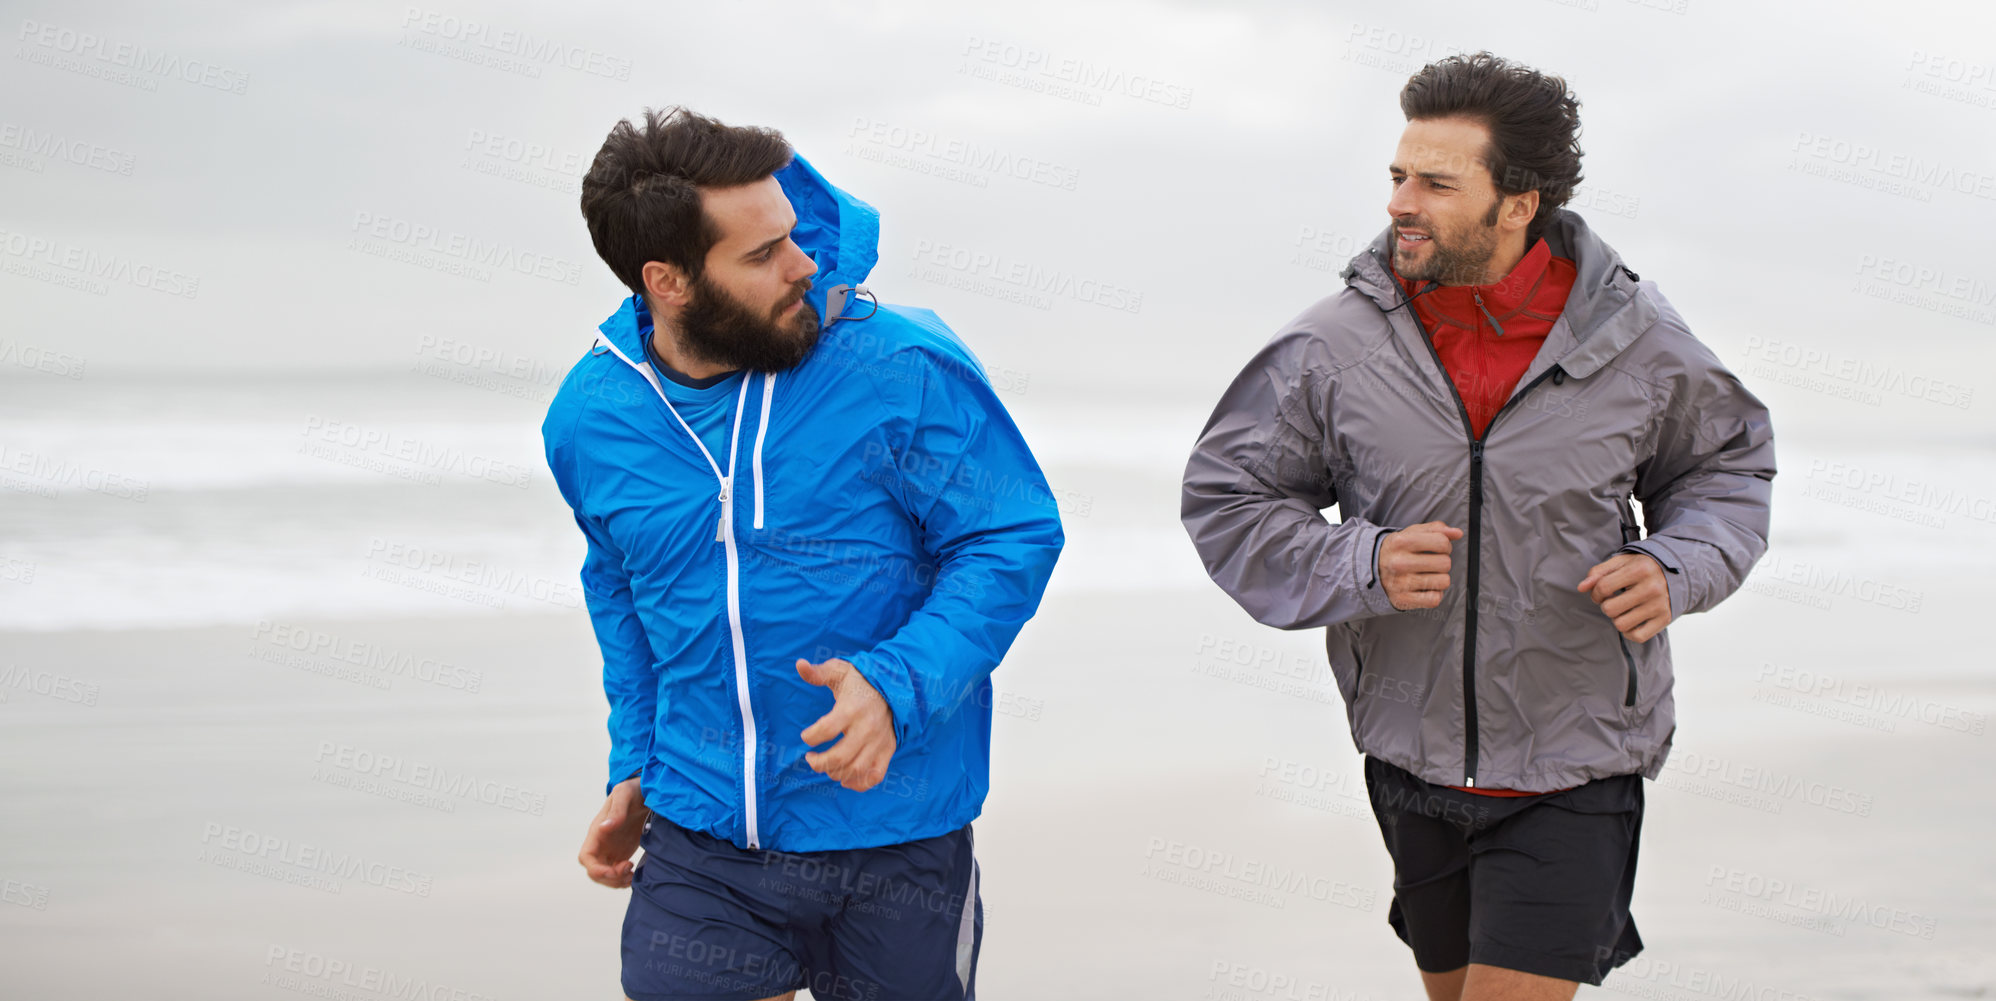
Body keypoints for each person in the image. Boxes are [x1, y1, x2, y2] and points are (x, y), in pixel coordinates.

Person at [1180, 52, 1775, 1001]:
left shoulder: (1637, 342)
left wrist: (1677, 564)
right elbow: (1229, 495)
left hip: (1576, 762)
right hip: (1408, 757)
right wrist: (1359, 559)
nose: (1400, 203)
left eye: (1436, 183)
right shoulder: (1331, 345)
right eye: (1397, 176)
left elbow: (1726, 468)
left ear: (1517, 204)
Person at [544, 106, 1064, 1001]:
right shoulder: (591, 416)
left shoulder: (896, 364)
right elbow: (623, 590)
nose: (805, 264)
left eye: (792, 233)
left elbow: (1010, 531)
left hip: (896, 838)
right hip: (699, 839)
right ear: (665, 281)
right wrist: (633, 762)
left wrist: (896, 685)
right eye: (761, 254)